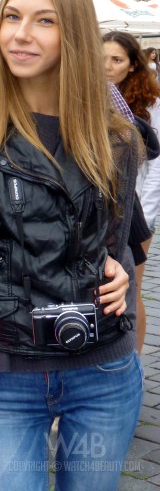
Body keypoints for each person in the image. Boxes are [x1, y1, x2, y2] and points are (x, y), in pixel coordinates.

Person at [0, 0, 140, 491]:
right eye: (11, 17)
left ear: (73, 32)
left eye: (45, 20)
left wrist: (118, 266)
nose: (21, 35)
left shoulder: (115, 138)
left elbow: (116, 242)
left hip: (100, 369)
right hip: (2, 371)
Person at [103, 31, 160, 353]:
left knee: (132, 289)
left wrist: (148, 213)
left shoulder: (149, 105)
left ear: (133, 65)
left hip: (138, 211)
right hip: (106, 208)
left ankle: (133, 360)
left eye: (116, 60)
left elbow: (157, 165)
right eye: (102, 59)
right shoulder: (91, 96)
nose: (107, 66)